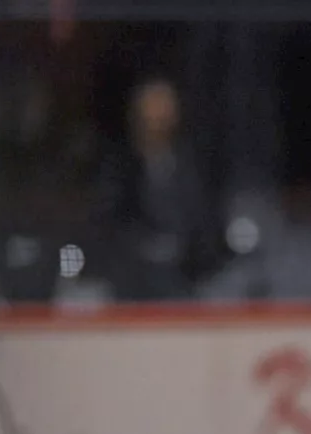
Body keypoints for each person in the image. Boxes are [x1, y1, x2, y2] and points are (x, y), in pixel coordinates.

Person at [92, 78, 217, 299]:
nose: (159, 117)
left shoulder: (191, 163)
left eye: (165, 108)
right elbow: (108, 220)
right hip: (132, 276)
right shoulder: (120, 165)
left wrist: (189, 254)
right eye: (152, 108)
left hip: (185, 275)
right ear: (137, 114)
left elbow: (203, 220)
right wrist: (144, 248)